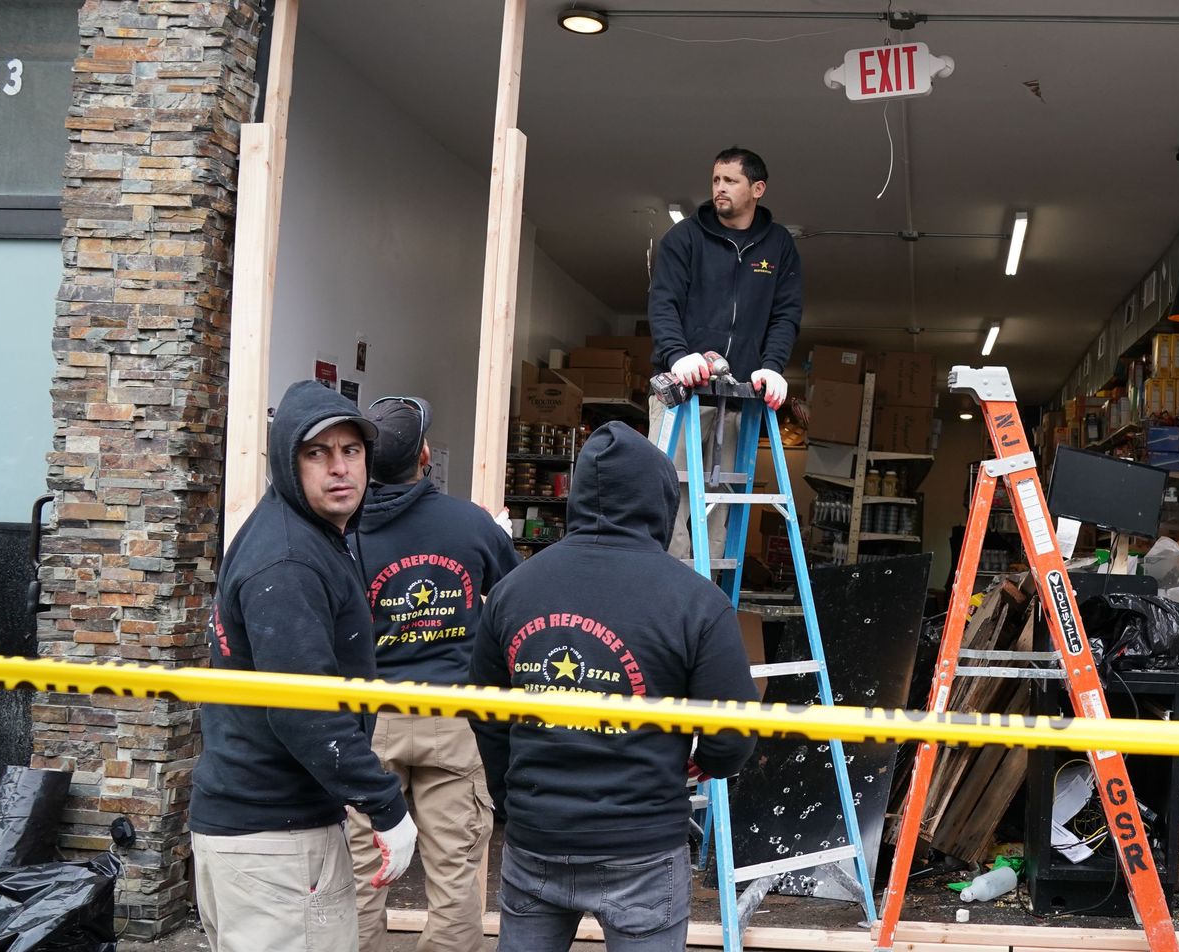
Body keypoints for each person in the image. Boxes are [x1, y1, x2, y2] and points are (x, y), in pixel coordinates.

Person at [468, 421, 760, 951]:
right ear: (661, 502)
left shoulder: (513, 591)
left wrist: (513, 800)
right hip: (642, 844)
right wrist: (706, 760)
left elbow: (485, 714)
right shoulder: (695, 601)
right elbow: (734, 736)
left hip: (538, 837)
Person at [190, 380, 415, 952]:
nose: (340, 468)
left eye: (352, 451)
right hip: (273, 843)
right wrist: (386, 807)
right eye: (317, 453)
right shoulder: (288, 561)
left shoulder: (307, 534)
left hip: (261, 832)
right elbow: (305, 710)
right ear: (288, 463)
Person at [346, 396, 520, 952]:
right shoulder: (468, 523)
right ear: (425, 455)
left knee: (361, 876)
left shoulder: (341, 530)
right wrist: (497, 538)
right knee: (456, 877)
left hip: (367, 723)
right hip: (453, 719)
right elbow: (518, 597)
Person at [646, 146, 803, 559]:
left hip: (738, 399)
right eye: (716, 180)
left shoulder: (778, 246)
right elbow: (663, 303)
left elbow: (785, 314)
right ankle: (667, 597)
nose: (720, 188)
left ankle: (708, 597)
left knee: (722, 502)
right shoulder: (684, 239)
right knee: (667, 495)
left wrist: (773, 367)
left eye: (730, 181)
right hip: (683, 394)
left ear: (757, 188)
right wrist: (678, 355)